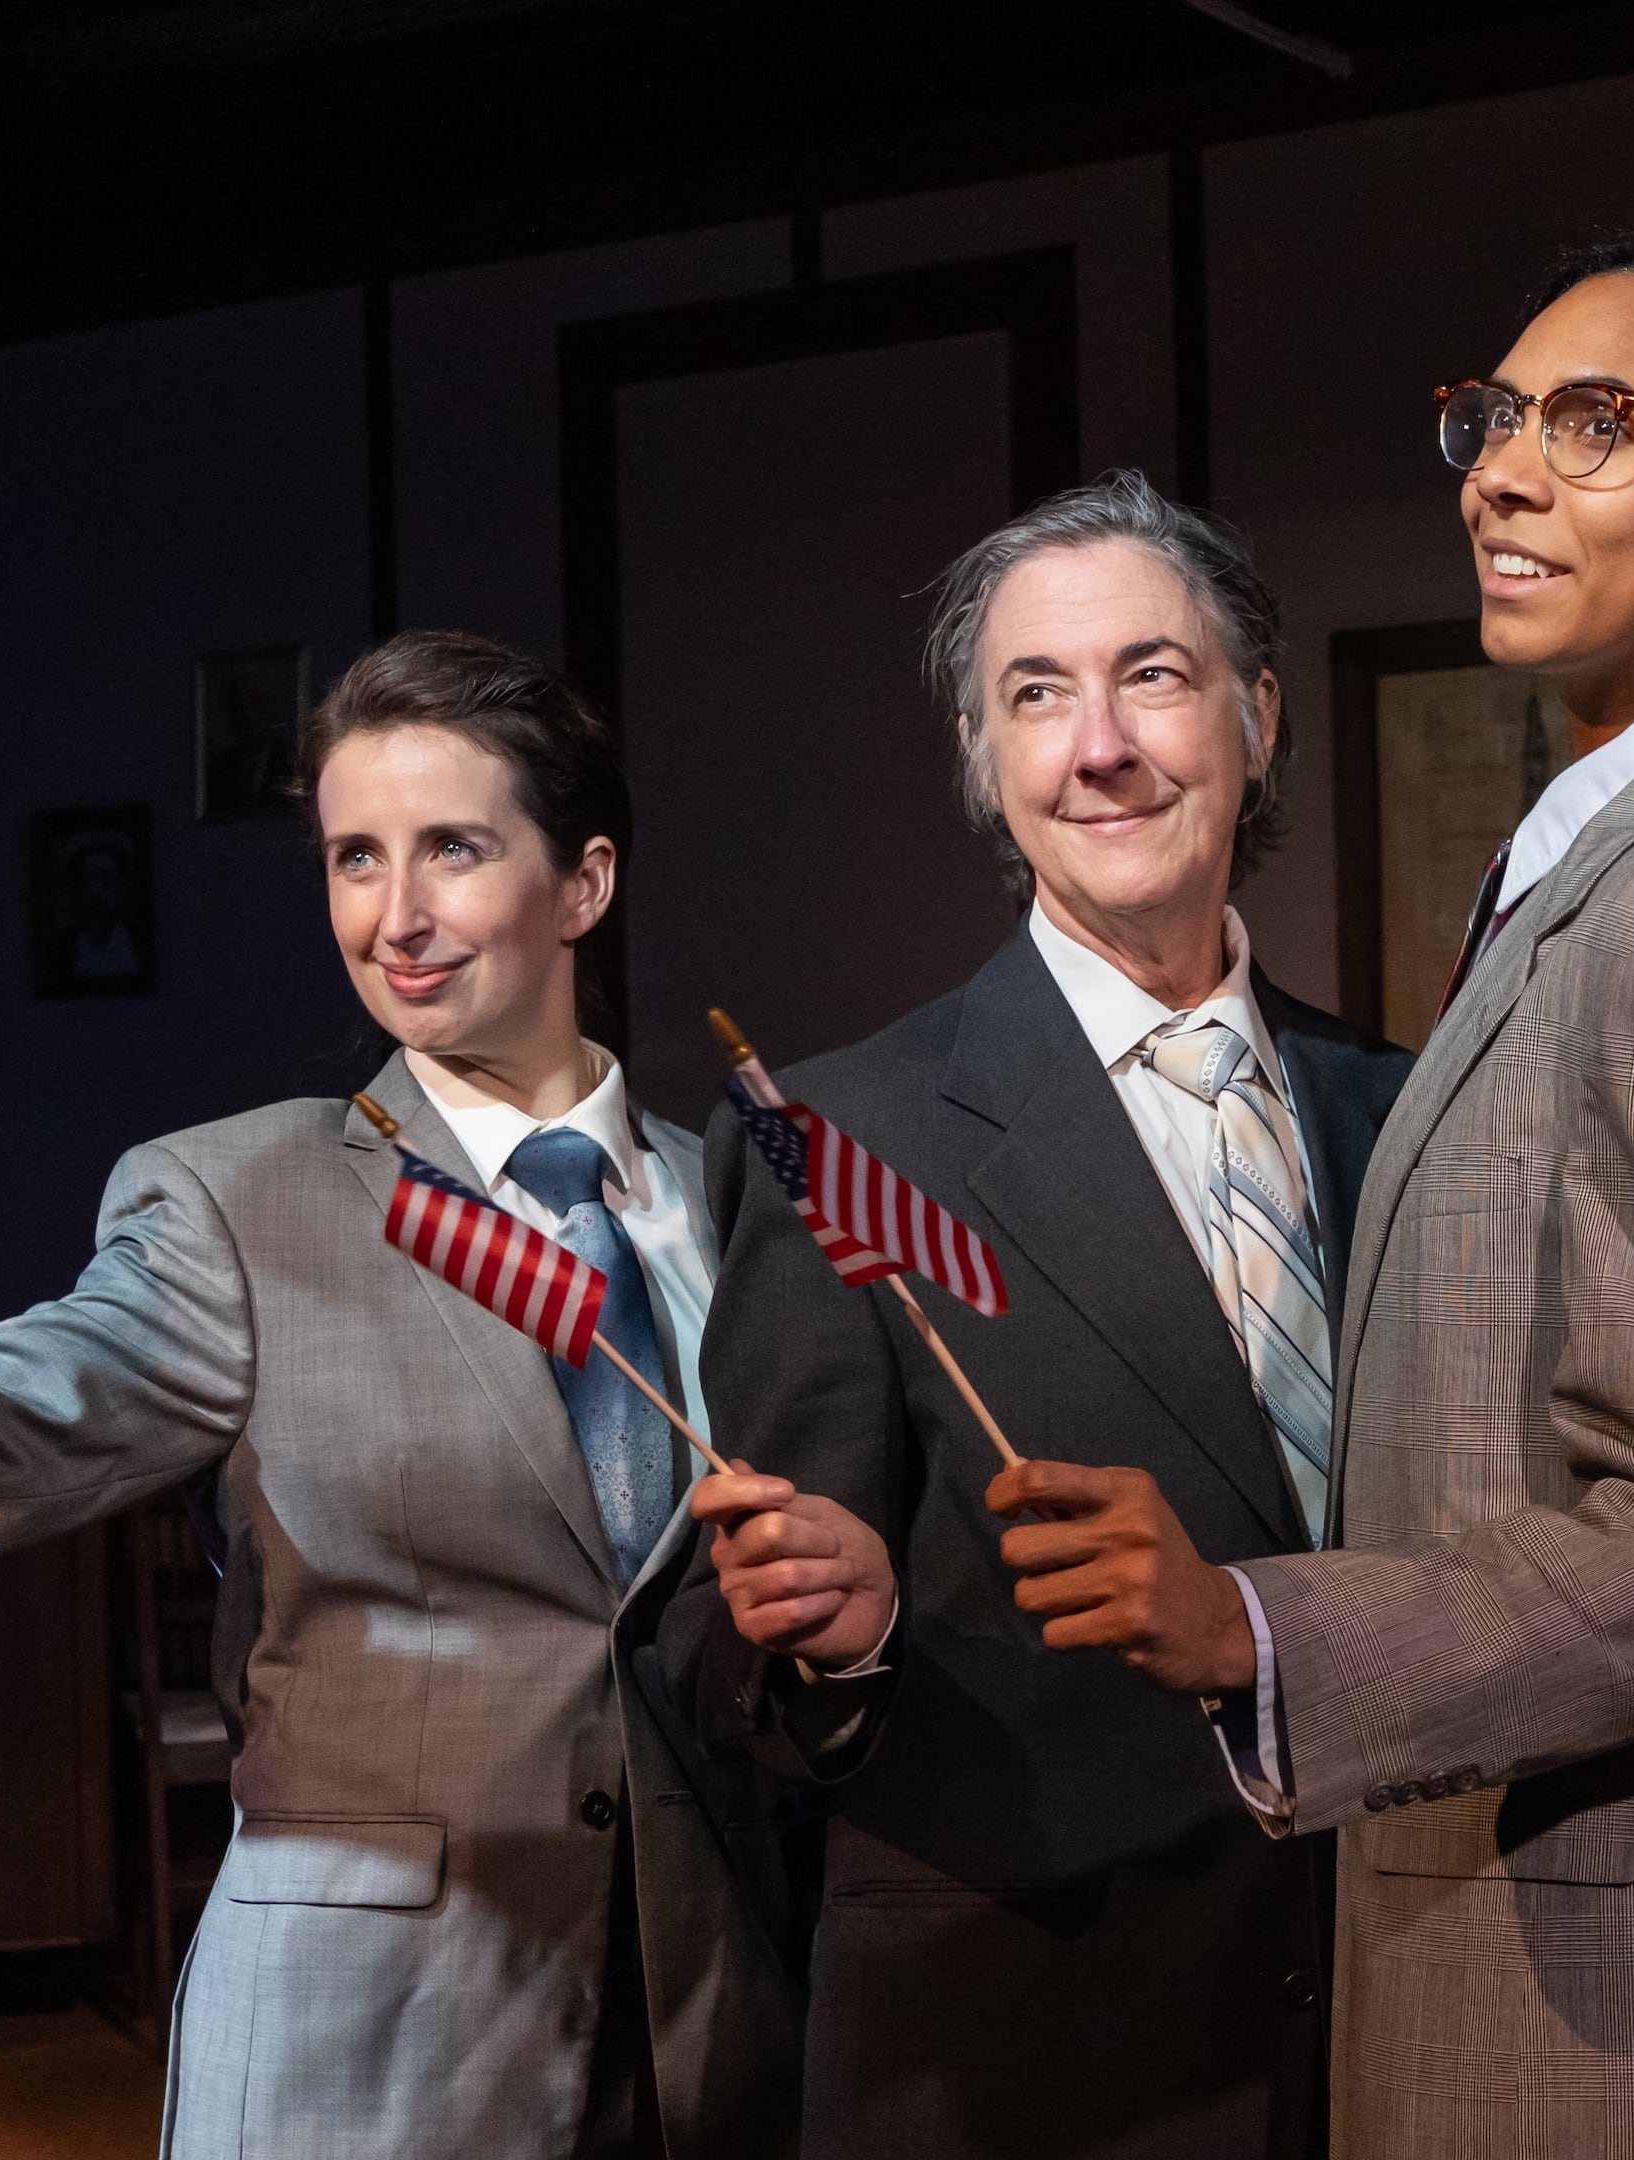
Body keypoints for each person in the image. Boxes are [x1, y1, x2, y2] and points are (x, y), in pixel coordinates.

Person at [997, 237, 1634, 2155]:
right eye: (1498, 417)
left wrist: (1255, 1631)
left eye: (1596, 427)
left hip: (1598, 2001)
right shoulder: (1618, 865)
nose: (1502, 473)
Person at [0, 632, 801, 2158]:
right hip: (366, 2048)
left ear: (582, 884)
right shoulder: (242, 1202)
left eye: (452, 849)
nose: (398, 915)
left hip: (710, 2043)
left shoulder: (735, 1204)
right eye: (354, 858)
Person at [674, 471, 1414, 2158]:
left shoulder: (1408, 1104)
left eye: (1153, 675)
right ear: (984, 761)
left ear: (1259, 717)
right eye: (1037, 695)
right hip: (1032, 2050)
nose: (1102, 746)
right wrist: (840, 1640)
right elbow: (727, 1660)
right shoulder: (834, 1142)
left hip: (1391, 2016)